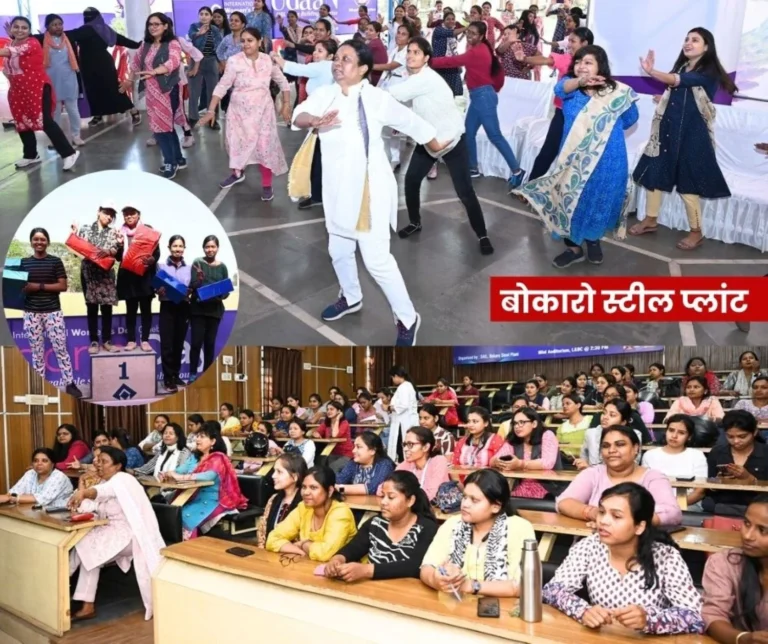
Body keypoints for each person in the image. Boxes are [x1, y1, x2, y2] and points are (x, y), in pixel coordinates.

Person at [292, 39, 449, 347]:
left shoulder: (376, 99)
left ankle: (407, 317)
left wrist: (436, 145)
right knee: (339, 249)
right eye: (337, 58)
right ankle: (351, 297)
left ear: (363, 68)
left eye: (346, 59)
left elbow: (412, 122)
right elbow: (299, 115)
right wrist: (313, 120)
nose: (338, 64)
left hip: (369, 190)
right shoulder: (326, 94)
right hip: (336, 188)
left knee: (376, 260)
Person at [515, 45, 639, 268]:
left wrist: (601, 132)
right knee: (570, 201)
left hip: (609, 160)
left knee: (597, 201)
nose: (582, 66)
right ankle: (573, 248)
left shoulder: (616, 92)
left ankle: (593, 240)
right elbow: (559, 89)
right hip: (574, 161)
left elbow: (630, 118)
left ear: (601, 66)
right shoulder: (570, 88)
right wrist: (581, 81)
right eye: (579, 62)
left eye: (588, 62)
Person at [544, 482, 705, 634]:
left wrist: (650, 620)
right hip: (602, 637)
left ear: (639, 526)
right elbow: (553, 589)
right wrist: (582, 610)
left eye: (616, 516)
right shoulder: (590, 546)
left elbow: (695, 615)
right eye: (601, 512)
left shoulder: (666, 557)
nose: (603, 521)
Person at [631, 28, 737, 250]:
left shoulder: (708, 72)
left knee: (689, 184)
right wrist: (664, 97)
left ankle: (696, 232)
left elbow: (678, 81)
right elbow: (678, 90)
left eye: (695, 40)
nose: (688, 43)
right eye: (687, 39)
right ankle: (650, 220)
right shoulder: (681, 66)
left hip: (692, 135)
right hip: (668, 130)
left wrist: (651, 71)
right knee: (655, 173)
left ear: (706, 47)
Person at [390, 38, 493, 255]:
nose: (410, 55)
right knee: (411, 180)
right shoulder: (416, 78)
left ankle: (482, 235)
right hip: (430, 141)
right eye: (409, 51)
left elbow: (394, 94)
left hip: (451, 140)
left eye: (416, 52)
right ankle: (415, 222)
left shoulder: (425, 78)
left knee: (465, 192)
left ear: (426, 58)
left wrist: (363, 89)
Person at [66, 446, 165, 621]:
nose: (98, 464)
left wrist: (85, 492)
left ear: (117, 465)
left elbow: (102, 492)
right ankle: (83, 601)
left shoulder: (124, 479)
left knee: (88, 548)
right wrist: (81, 489)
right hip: (111, 531)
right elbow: (91, 505)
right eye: (98, 461)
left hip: (131, 535)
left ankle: (63, 580)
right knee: (85, 546)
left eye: (104, 461)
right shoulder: (104, 481)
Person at [200, 27, 290, 200]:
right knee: (237, 144)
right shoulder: (234, 61)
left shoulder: (267, 60)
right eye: (243, 41)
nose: (246, 44)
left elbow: (283, 82)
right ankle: (237, 173)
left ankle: (267, 185)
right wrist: (211, 110)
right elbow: (223, 85)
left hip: (263, 112)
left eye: (250, 40)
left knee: (265, 147)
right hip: (239, 114)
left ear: (259, 42)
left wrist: (286, 104)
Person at [431, 22, 524, 187]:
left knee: (495, 136)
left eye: (473, 33)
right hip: (479, 97)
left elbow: (451, 61)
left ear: (481, 36)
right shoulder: (483, 48)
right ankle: (473, 168)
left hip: (483, 97)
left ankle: (517, 171)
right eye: (468, 32)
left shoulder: (476, 52)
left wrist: (428, 61)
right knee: (469, 133)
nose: (469, 35)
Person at [421, 468, 537, 597]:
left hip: (501, 606)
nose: (465, 504)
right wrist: (436, 580)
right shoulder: (452, 524)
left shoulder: (519, 528)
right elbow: (426, 567)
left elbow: (523, 585)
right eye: (464, 497)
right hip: (456, 604)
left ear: (496, 506)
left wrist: (471, 586)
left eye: (474, 500)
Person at [556, 425, 682, 526]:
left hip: (640, 546)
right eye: (606, 446)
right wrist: (594, 513)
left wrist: (621, 522)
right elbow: (564, 502)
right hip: (592, 543)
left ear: (636, 448)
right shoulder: (593, 473)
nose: (611, 450)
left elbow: (672, 513)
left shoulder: (653, 478)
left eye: (620, 444)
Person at [326, 470, 439, 581]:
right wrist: (337, 560)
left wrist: (366, 570)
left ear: (410, 501)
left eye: (391, 497)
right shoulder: (376, 523)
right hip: (374, 589)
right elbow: (352, 549)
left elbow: (414, 566)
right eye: (382, 496)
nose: (383, 502)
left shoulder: (426, 528)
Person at [515, 27, 594, 182]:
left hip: (584, 117)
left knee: (575, 155)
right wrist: (524, 59)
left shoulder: (595, 64)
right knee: (549, 151)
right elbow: (546, 60)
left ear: (585, 43)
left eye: (573, 41)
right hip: (562, 114)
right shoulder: (567, 59)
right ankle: (531, 186)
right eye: (569, 40)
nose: (569, 44)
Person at [0, 17, 79, 170]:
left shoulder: (32, 43)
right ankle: (31, 155)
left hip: (37, 89)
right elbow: (7, 67)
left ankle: (69, 153)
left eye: (24, 27)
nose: (20, 30)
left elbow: (8, 53)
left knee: (46, 122)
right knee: (21, 122)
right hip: (18, 91)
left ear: (29, 31)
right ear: (11, 29)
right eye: (16, 27)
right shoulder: (10, 43)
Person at [20, 228, 82, 398]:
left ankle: (70, 384)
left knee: (61, 349)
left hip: (53, 312)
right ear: (31, 242)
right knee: (37, 352)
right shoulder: (23, 263)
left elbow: (62, 286)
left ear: (47, 242)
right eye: (35, 239)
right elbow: (18, 287)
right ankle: (38, 386)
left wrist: (37, 286)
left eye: (42, 239)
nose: (39, 242)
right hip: (31, 313)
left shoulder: (55, 261)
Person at [122, 13, 185, 179]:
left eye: (157, 24)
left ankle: (170, 162)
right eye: (150, 24)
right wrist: (129, 80)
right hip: (152, 92)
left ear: (165, 26)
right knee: (165, 127)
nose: (153, 27)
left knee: (162, 128)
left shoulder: (172, 44)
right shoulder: (146, 45)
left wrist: (155, 71)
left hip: (167, 90)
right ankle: (178, 159)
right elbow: (135, 64)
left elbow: (173, 62)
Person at [163, 421, 247, 539]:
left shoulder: (218, 457)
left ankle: (190, 547)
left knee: (185, 517)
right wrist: (168, 474)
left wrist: (181, 477)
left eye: (202, 437)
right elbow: (180, 470)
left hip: (214, 500)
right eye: (197, 436)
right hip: (192, 496)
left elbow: (209, 476)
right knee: (173, 513)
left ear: (212, 441)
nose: (198, 439)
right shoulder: (195, 456)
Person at [702, 494, 768, 642]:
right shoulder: (724, 563)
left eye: (763, 530)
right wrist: (743, 639)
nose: (748, 536)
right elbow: (713, 615)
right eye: (747, 523)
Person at [66, 7, 141, 127]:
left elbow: (69, 35)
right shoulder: (100, 29)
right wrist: (137, 45)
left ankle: (133, 111)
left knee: (111, 88)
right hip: (91, 66)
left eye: (89, 16)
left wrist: (139, 45)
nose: (87, 18)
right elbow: (121, 39)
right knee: (93, 91)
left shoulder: (90, 30)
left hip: (101, 65)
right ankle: (98, 115)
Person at [266, 465, 357, 561]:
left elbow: (325, 553)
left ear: (330, 491)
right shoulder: (303, 508)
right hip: (309, 565)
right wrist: (299, 551)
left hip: (343, 568)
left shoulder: (341, 513)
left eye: (313, 487)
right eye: (304, 487)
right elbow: (272, 539)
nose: (306, 492)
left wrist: (303, 544)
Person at [75, 204, 122, 355]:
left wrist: (113, 248)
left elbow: (118, 254)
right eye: (106, 213)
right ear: (98, 212)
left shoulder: (114, 232)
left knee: (107, 308)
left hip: (106, 274)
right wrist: (74, 235)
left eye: (112, 215)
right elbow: (77, 252)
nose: (109, 217)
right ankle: (94, 341)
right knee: (91, 307)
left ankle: (107, 341)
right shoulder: (85, 229)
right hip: (89, 273)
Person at [115, 206, 160, 352]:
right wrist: (119, 245)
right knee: (131, 311)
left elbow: (156, 252)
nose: (129, 216)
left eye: (132, 213)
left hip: (145, 277)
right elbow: (118, 257)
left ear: (138, 215)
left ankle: (145, 340)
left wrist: (152, 259)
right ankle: (131, 340)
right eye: (126, 214)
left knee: (146, 310)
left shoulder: (147, 229)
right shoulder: (119, 233)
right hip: (128, 278)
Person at [705, 410, 768, 515]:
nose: (736, 441)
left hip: (759, 510)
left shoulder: (765, 453)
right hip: (721, 506)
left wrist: (750, 479)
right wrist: (717, 481)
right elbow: (707, 487)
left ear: (755, 432)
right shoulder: (717, 452)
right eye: (730, 437)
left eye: (742, 436)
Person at [491, 408, 562, 498]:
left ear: (534, 424)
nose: (517, 426)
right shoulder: (513, 440)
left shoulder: (547, 435)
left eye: (522, 422)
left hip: (547, 488)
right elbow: (492, 460)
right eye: (515, 423)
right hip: (518, 488)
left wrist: (520, 464)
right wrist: (497, 462)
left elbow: (547, 463)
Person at [642, 414, 708, 511]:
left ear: (689, 437)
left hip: (687, 506)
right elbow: (645, 488)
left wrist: (674, 506)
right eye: (671, 430)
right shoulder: (650, 455)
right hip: (655, 506)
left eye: (681, 433)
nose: (674, 436)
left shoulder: (697, 456)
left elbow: (700, 491)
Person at [188, 235, 230, 384]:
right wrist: (199, 280)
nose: (210, 249)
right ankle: (192, 374)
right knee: (196, 343)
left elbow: (226, 290)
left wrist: (221, 295)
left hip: (215, 311)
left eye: (213, 246)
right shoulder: (197, 263)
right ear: (203, 248)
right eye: (207, 247)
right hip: (198, 310)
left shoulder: (223, 267)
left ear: (217, 248)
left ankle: (207, 374)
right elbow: (193, 285)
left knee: (210, 344)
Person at [39, 14, 83, 146]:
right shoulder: (42, 40)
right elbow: (27, 38)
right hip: (51, 80)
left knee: (73, 109)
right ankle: (56, 139)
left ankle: (76, 136)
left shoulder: (69, 38)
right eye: (54, 24)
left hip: (69, 78)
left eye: (60, 24)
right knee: (55, 111)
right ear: (47, 27)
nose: (58, 27)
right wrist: (12, 36)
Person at [156, 234, 191, 392]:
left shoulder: (190, 268)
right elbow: (156, 286)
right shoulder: (161, 266)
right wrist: (159, 290)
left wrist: (191, 289)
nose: (178, 249)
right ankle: (168, 378)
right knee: (167, 345)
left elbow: (191, 287)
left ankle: (176, 375)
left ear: (184, 248)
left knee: (178, 344)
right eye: (175, 246)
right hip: (167, 306)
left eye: (180, 246)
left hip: (183, 307)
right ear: (169, 248)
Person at [385, 426, 451, 501]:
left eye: (410, 444)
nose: (405, 449)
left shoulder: (439, 461)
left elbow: (431, 494)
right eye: (404, 444)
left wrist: (400, 496)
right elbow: (383, 488)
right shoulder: (407, 464)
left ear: (426, 447)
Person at [257, 452, 308, 547]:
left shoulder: (305, 503)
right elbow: (262, 531)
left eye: (279, 472)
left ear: (295, 477)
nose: (273, 476)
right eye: (274, 471)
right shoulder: (274, 499)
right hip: (270, 550)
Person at [187, 7, 223, 129]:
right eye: (201, 14)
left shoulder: (215, 30)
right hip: (196, 61)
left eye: (207, 14)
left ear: (211, 17)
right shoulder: (194, 26)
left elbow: (219, 47)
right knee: (194, 91)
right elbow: (191, 37)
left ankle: (212, 119)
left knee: (213, 92)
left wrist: (220, 62)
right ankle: (193, 118)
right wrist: (199, 34)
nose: (203, 16)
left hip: (211, 61)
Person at [0, 448, 73, 509]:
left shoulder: (59, 477)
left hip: (59, 514)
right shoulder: (30, 473)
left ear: (52, 464)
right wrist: (8, 496)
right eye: (36, 461)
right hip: (34, 511)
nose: (39, 463)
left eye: (44, 461)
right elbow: (14, 491)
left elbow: (42, 499)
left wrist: (11, 498)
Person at [134, 424, 191, 501]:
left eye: (171, 433)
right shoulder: (161, 451)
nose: (167, 435)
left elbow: (181, 473)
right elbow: (147, 468)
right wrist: (133, 472)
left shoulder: (184, 452)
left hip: (174, 490)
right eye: (165, 433)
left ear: (178, 437)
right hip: (158, 487)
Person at [335, 431, 395, 496]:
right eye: (354, 447)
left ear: (372, 451)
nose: (353, 451)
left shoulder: (384, 465)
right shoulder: (353, 463)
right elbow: (339, 481)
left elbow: (372, 488)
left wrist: (339, 488)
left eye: (358, 447)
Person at [387, 365, 420, 460]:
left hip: (404, 421)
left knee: (402, 447)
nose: (392, 380)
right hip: (404, 421)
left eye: (392, 377)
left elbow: (404, 405)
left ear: (396, 376)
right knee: (402, 446)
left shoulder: (404, 387)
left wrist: (391, 407)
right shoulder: (406, 386)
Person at [310, 401, 353, 472]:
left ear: (339, 411)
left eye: (331, 409)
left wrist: (337, 419)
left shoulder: (344, 423)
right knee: (321, 464)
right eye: (327, 409)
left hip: (346, 454)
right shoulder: (326, 423)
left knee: (333, 467)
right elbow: (317, 431)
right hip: (332, 453)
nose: (329, 411)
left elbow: (334, 435)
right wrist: (316, 434)